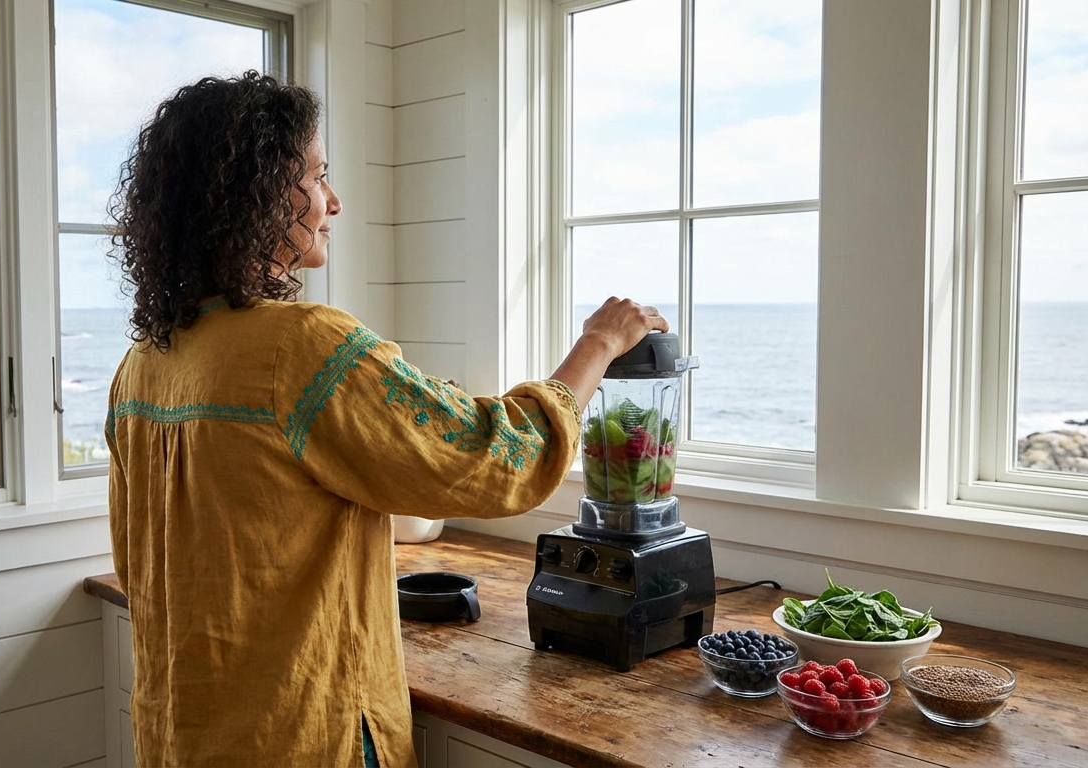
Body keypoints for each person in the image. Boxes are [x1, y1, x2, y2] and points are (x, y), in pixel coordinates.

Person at [105, 71, 667, 768]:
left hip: (184, 730)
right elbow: (501, 459)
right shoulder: (304, 348)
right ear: (254, 193)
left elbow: (145, 565)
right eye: (315, 175)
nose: (333, 201)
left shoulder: (143, 365)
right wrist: (600, 345)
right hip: (302, 735)